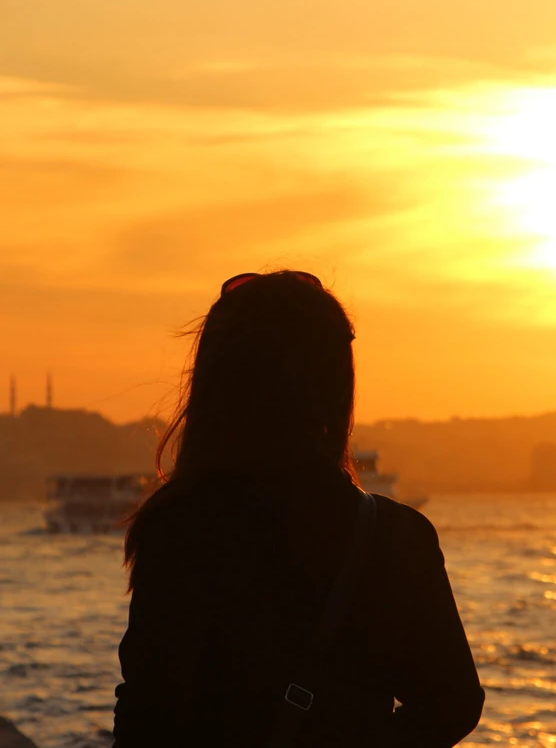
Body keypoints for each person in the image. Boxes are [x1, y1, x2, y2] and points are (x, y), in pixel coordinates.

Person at [113, 270, 484, 747]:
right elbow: (452, 701)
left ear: (218, 383)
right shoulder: (396, 535)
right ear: (334, 385)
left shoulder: (180, 524)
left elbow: (149, 709)